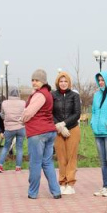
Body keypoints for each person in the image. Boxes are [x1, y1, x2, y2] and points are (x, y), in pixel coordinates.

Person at [21, 69, 62, 200]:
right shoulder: (48, 94)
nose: (34, 83)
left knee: (35, 163)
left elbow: (28, 112)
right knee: (48, 162)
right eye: (32, 80)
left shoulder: (39, 95)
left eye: (37, 80)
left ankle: (32, 192)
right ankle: (56, 191)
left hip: (37, 132)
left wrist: (21, 119)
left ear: (43, 81)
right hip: (50, 131)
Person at [52, 71, 81, 195]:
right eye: (61, 81)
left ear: (69, 83)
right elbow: (50, 112)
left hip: (73, 128)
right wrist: (59, 126)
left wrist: (65, 124)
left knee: (71, 156)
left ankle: (70, 183)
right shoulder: (52, 95)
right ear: (58, 83)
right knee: (61, 157)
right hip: (58, 130)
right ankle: (62, 183)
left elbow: (77, 113)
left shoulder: (74, 95)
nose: (63, 83)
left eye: (66, 81)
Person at [0, 88, 26, 172]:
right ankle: (18, 167)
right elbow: (25, 114)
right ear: (18, 95)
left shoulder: (4, 103)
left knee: (6, 147)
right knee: (19, 148)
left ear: (9, 94)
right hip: (21, 127)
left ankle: (0, 165)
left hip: (9, 128)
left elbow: (2, 114)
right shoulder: (23, 103)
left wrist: (6, 119)